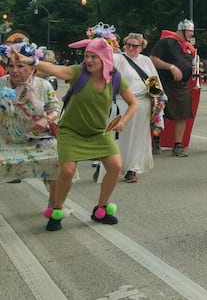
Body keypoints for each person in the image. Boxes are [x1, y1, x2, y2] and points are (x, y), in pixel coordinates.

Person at [11, 37, 138, 231]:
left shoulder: (115, 78)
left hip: (98, 133)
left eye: (93, 57)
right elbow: (56, 70)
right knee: (68, 171)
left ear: (105, 58)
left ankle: (101, 209)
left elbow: (133, 104)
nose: (88, 61)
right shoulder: (79, 73)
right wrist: (31, 61)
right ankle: (57, 211)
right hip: (71, 132)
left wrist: (123, 121)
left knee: (115, 166)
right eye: (86, 56)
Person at [0, 43, 61, 200]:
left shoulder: (43, 85)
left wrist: (46, 120)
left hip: (36, 138)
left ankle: (54, 205)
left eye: (20, 66)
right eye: (11, 66)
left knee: (57, 157)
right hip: (5, 138)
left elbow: (55, 109)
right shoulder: (2, 84)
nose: (14, 70)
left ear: (33, 68)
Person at [112, 33, 165, 183]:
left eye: (134, 46)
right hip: (123, 103)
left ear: (141, 47)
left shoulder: (146, 61)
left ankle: (132, 169)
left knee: (138, 136)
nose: (130, 48)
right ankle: (113, 165)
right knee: (121, 135)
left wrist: (159, 99)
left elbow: (153, 80)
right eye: (128, 45)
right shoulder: (119, 59)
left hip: (143, 103)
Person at [150, 20, 196, 157]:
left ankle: (178, 145)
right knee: (156, 112)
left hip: (181, 85)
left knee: (183, 114)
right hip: (161, 81)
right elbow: (152, 59)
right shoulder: (166, 42)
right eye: (189, 31)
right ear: (181, 30)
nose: (192, 34)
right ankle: (156, 141)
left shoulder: (188, 47)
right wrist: (171, 67)